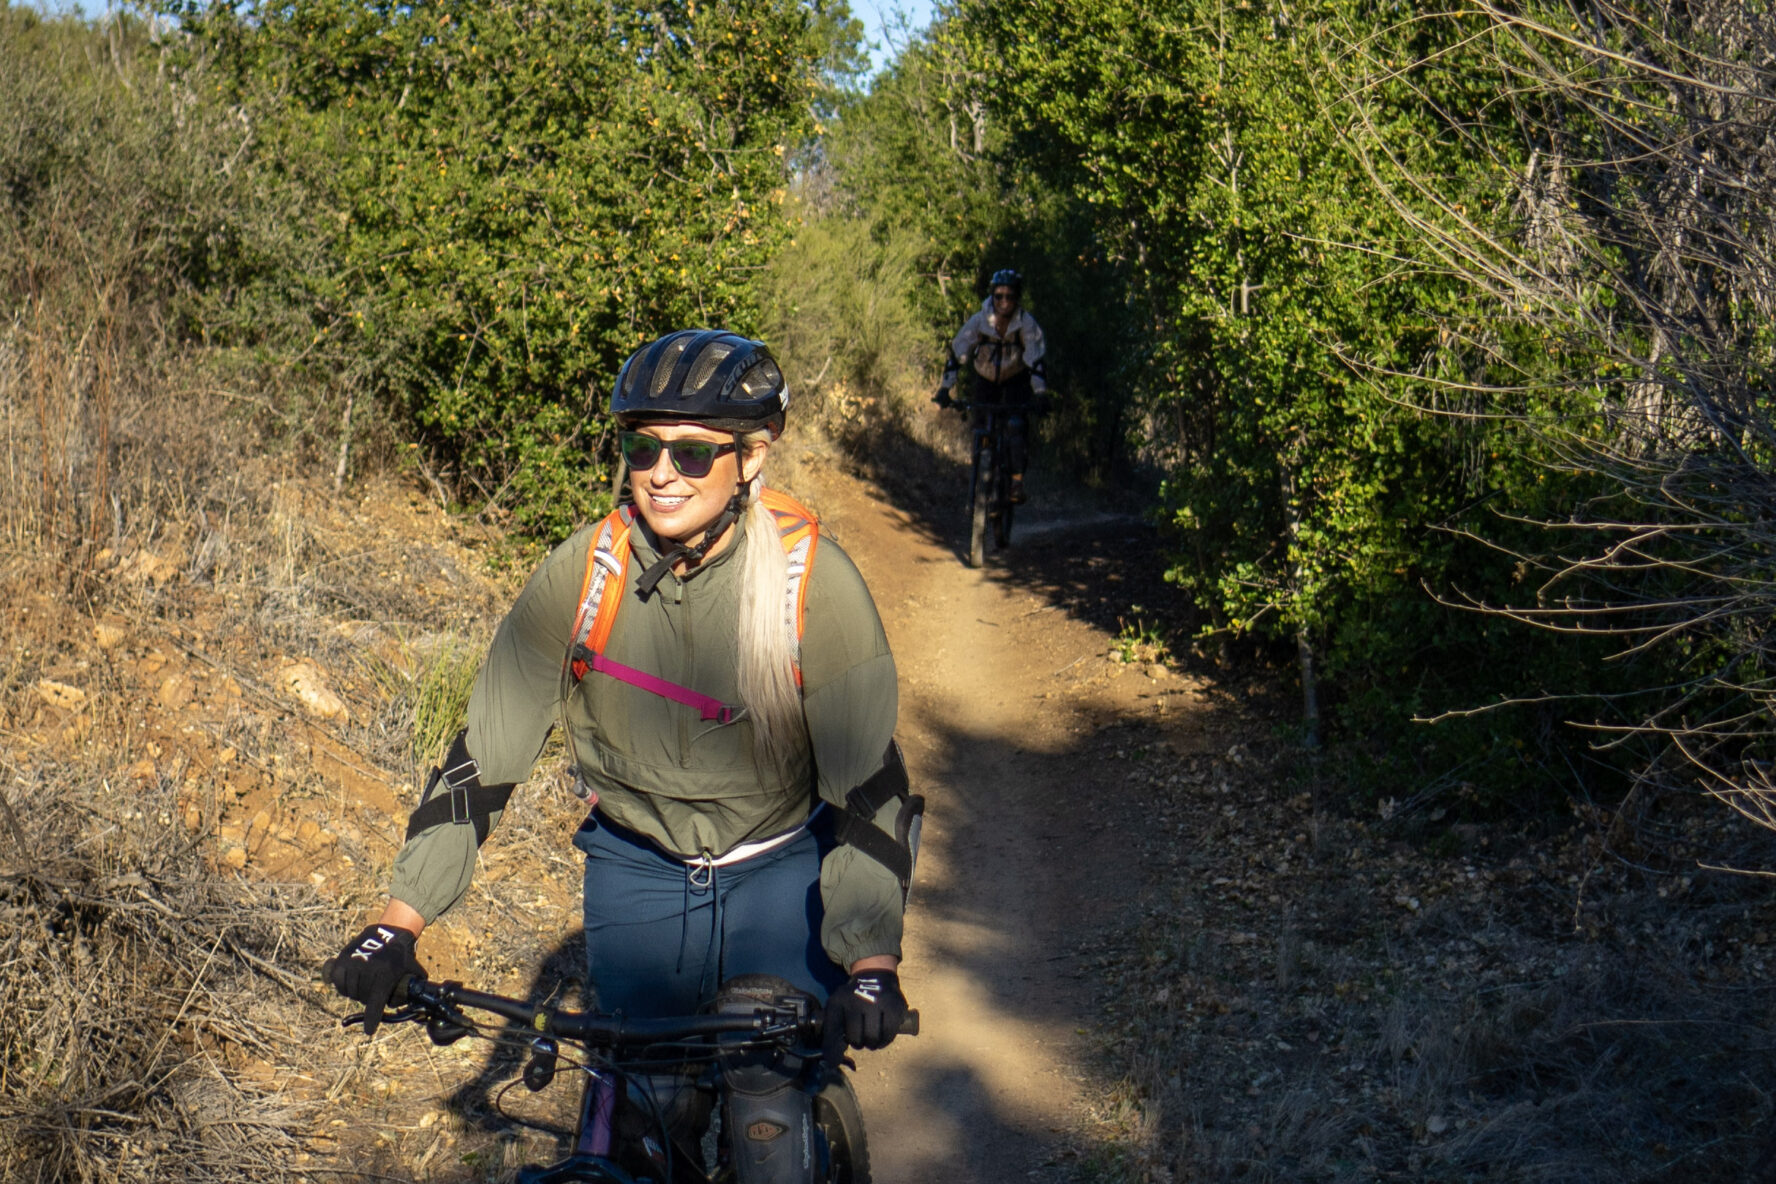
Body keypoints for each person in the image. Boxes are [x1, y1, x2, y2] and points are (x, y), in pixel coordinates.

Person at [328, 329, 920, 1184]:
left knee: (766, 1117)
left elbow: (867, 783)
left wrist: (871, 964)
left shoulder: (811, 586)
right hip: (637, 871)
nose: (661, 472)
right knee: (646, 1120)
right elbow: (483, 756)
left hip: (777, 873)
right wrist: (398, 923)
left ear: (752, 459)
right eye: (642, 446)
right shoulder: (585, 576)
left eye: (690, 451)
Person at [932, 267, 1049, 504]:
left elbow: (1036, 361)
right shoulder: (979, 321)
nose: (1004, 302)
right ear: (992, 296)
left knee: (1016, 427)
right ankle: (981, 479)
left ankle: (1016, 481)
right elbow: (958, 354)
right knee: (980, 427)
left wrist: (1040, 393)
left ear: (1017, 298)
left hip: (1016, 380)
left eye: (1009, 296)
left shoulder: (1027, 324)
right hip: (985, 379)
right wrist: (945, 388)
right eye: (999, 296)